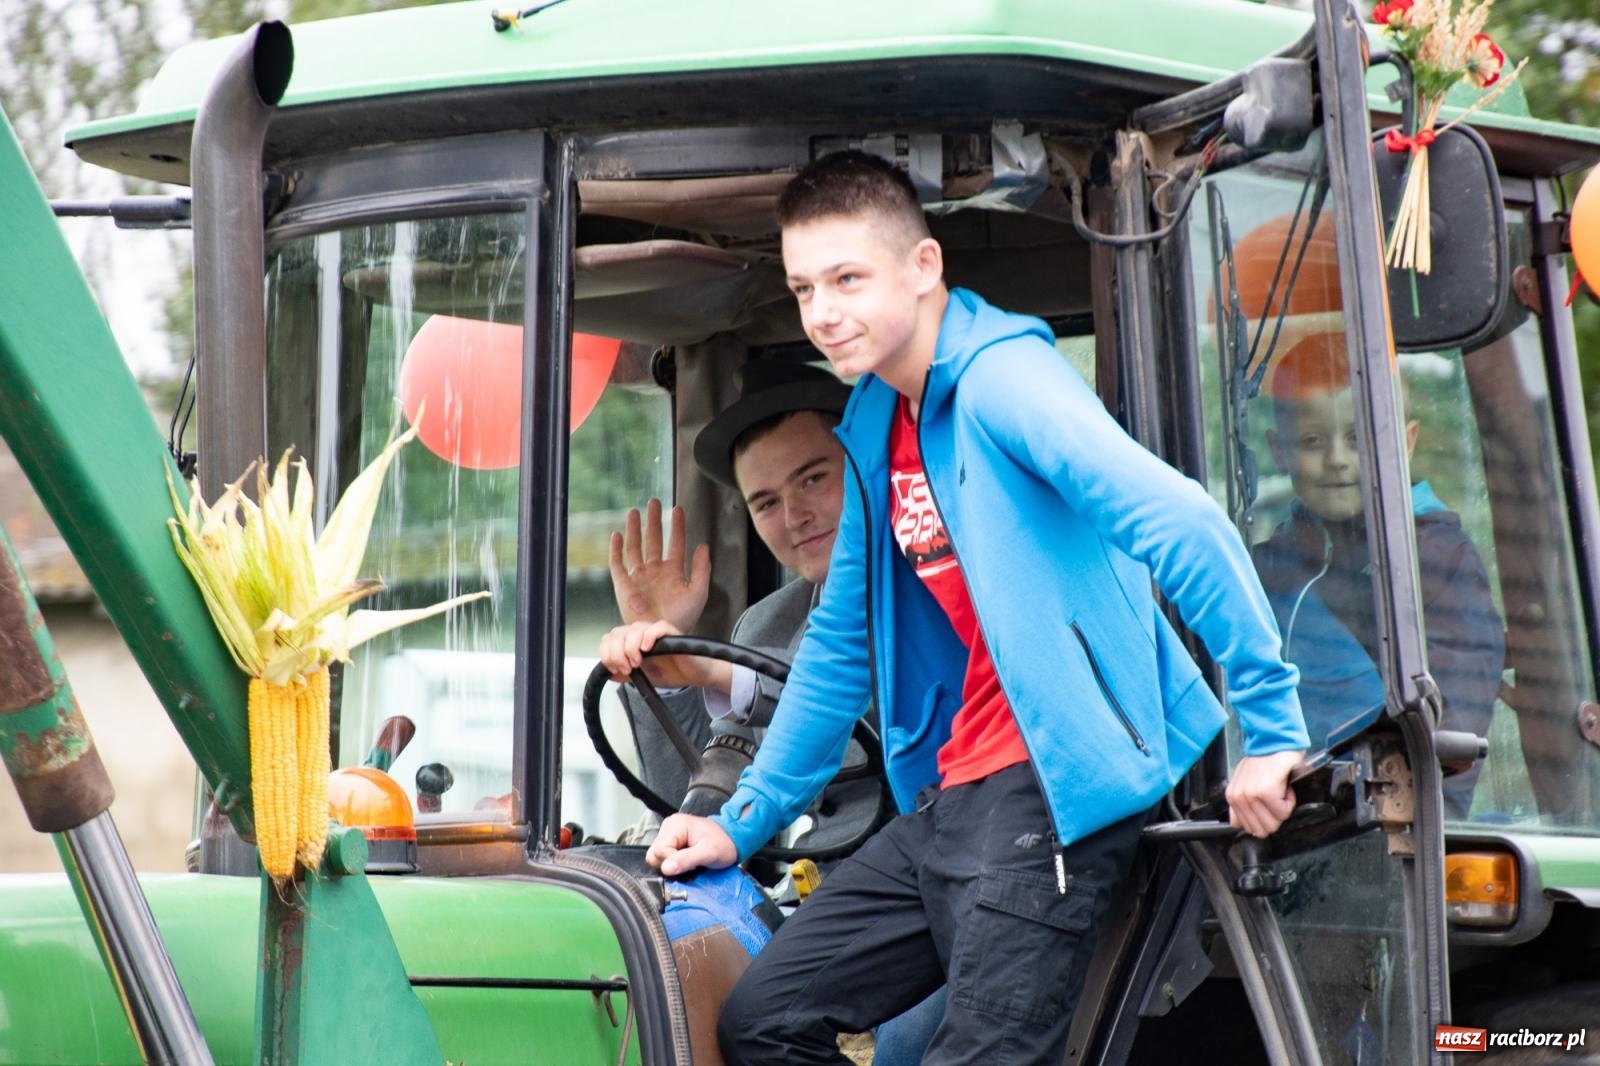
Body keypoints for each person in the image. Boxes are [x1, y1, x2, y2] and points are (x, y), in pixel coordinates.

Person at [644, 150, 1310, 1065]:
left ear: (923, 270)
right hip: (955, 792)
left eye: (847, 278)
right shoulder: (880, 419)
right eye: (805, 289)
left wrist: (1270, 730)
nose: (823, 312)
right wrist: (740, 821)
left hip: (1049, 792)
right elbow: (840, 644)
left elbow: (1183, 521)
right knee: (763, 1022)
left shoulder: (1005, 384)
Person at [601, 360, 881, 844]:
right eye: (767, 503)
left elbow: (841, 679)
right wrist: (662, 659)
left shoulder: (925, 588)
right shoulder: (766, 625)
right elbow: (692, 808)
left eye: (813, 479)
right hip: (790, 888)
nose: (794, 516)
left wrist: (712, 670)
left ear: (864, 468)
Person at [1254, 330, 1504, 818]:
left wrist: (1422, 826)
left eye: (1358, 438)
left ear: (1405, 443)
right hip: (1282, 819)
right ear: (1278, 449)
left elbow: (1455, 717)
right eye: (1311, 441)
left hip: (1397, 830)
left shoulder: (1437, 558)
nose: (1338, 460)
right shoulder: (1268, 568)